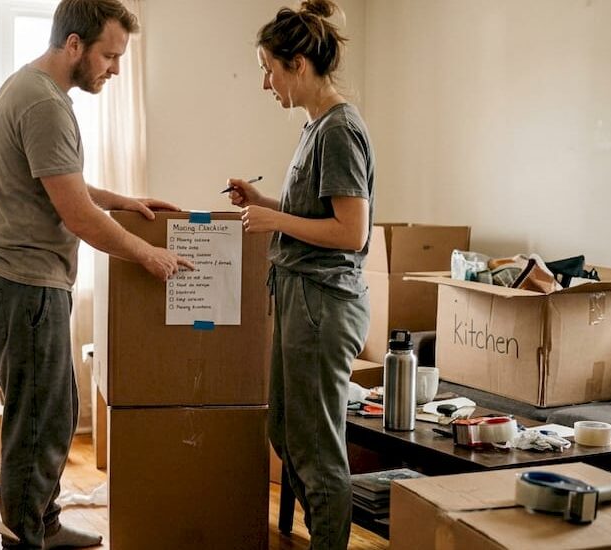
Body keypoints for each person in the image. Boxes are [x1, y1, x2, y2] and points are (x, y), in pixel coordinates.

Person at [0, 1, 192, 548]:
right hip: (23, 285)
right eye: (109, 55)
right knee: (39, 423)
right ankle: (25, 537)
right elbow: (75, 215)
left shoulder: (31, 89)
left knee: (54, 412)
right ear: (74, 44)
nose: (114, 69)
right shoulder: (44, 104)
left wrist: (124, 201)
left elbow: (64, 185)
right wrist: (146, 253)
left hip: (19, 282)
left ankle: (42, 522)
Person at [225, 1, 374, 548]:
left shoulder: (339, 130)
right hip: (299, 297)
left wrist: (272, 219)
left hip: (323, 304)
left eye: (270, 67)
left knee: (314, 444)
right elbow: (315, 216)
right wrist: (264, 202)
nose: (266, 82)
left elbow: (350, 233)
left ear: (299, 65)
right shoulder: (316, 128)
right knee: (287, 431)